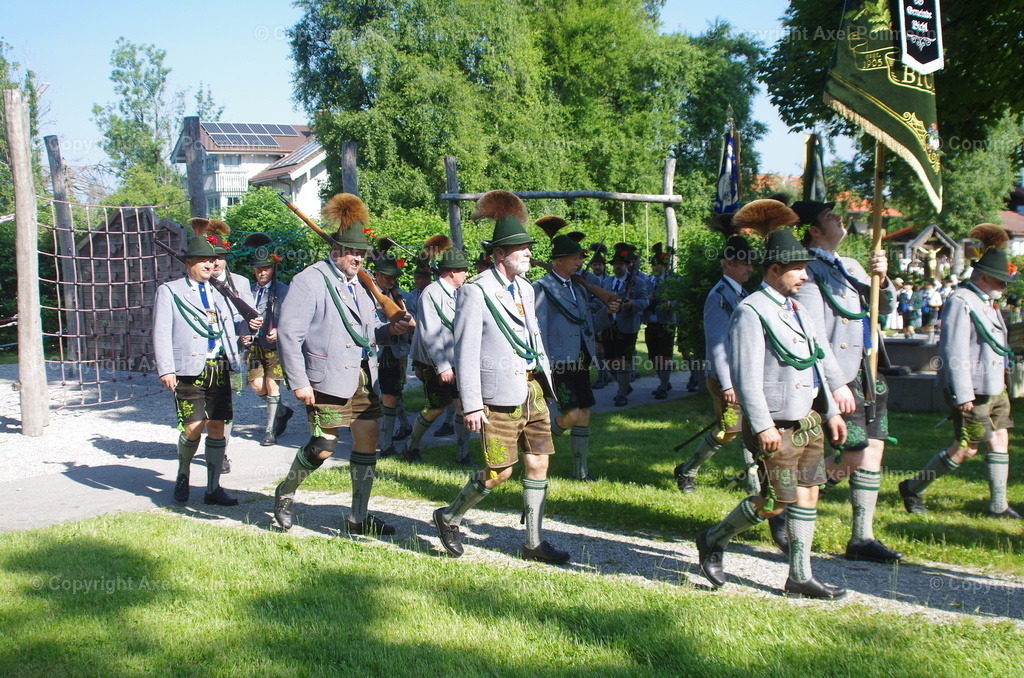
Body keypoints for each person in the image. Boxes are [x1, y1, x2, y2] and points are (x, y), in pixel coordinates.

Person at [695, 200, 847, 599]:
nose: (804, 274)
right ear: (775, 269)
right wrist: (760, 424)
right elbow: (745, 376)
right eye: (798, 268)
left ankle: (799, 576)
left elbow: (819, 357)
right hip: (775, 422)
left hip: (807, 418)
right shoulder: (750, 311)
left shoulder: (796, 307)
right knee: (775, 501)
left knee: (808, 491)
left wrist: (831, 406)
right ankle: (713, 538)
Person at [432, 190, 570, 564]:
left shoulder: (526, 288)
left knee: (539, 460)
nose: (528, 252)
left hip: (532, 389)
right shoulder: (476, 292)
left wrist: (548, 380)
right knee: (499, 472)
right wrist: (472, 403)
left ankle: (533, 543)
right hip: (497, 397)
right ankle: (449, 516)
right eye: (519, 248)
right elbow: (465, 350)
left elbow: (532, 338)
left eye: (527, 246)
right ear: (498, 255)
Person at [274, 193, 412, 535]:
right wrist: (299, 381)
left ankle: (358, 517)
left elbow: (366, 333)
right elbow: (289, 335)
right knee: (323, 448)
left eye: (362, 253)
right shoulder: (309, 280)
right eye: (352, 251)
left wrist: (389, 330)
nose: (358, 258)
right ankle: (285, 492)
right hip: (325, 378)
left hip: (363, 376)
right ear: (335, 249)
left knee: (369, 439)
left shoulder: (362, 286)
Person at [793, 199, 903, 564]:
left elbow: (884, 308)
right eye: (829, 216)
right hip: (838, 373)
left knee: (873, 447)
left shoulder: (853, 265)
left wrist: (882, 279)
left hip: (867, 370)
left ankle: (862, 536)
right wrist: (835, 382)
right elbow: (813, 333)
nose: (839, 217)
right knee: (853, 450)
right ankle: (787, 498)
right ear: (813, 229)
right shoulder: (807, 269)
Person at [900, 224, 1022, 520]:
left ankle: (998, 506)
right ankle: (913, 487)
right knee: (966, 448)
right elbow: (953, 350)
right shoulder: (961, 301)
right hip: (974, 389)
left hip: (994, 386)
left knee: (1000, 440)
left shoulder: (987, 302)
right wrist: (961, 392)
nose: (1004, 287)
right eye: (1000, 281)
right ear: (982, 277)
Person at [153, 233, 261, 507]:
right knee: (192, 427)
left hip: (221, 364)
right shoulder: (170, 291)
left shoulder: (221, 292)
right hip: (188, 368)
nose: (209, 264)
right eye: (202, 260)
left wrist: (250, 325)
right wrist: (166, 369)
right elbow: (161, 332)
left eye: (212, 260)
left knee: (217, 426)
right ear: (188, 262)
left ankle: (213, 487)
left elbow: (233, 325)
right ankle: (183, 475)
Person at [533, 225, 612, 481]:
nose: (580, 262)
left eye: (580, 258)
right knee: (573, 414)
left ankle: (581, 472)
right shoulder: (541, 288)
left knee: (584, 413)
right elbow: (539, 329)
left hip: (581, 360)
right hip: (559, 362)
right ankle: (538, 443)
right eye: (576, 257)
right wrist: (540, 365)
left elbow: (589, 326)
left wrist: (607, 314)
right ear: (559, 260)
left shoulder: (578, 288)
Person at [406, 245, 474, 464]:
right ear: (452, 272)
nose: (467, 273)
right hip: (433, 362)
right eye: (463, 270)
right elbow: (429, 333)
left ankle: (462, 455)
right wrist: (443, 365)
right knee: (435, 407)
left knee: (463, 406)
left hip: (457, 361)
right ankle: (410, 447)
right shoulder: (431, 293)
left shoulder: (460, 292)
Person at [246, 242, 293, 446]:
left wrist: (280, 330)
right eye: (258, 268)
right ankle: (282, 411)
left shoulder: (283, 290)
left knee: (272, 386)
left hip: (275, 346)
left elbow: (294, 318)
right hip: (255, 345)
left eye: (265, 268)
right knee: (257, 386)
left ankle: (270, 431)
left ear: (273, 268)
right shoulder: (248, 290)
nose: (261, 272)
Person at [373, 257, 415, 458]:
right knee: (378, 395)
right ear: (377, 276)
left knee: (390, 393)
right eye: (388, 278)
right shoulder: (368, 297)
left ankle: (386, 443)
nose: (392, 282)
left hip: (394, 351)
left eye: (394, 278)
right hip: (373, 351)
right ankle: (403, 427)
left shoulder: (403, 298)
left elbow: (414, 324)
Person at [599, 244, 650, 406]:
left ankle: (622, 393)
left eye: (620, 264)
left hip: (627, 327)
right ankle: (625, 385)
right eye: (615, 264)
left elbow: (644, 302)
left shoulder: (638, 282)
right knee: (609, 360)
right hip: (608, 326)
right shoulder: (607, 282)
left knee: (623, 361)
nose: (617, 267)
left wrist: (631, 304)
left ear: (627, 265)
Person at [645, 243, 677, 399]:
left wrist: (671, 304)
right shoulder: (647, 281)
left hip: (666, 323)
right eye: (654, 266)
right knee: (653, 357)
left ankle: (663, 386)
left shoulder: (673, 281)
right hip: (651, 322)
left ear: (665, 266)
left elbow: (681, 299)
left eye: (659, 266)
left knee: (664, 356)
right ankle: (664, 381)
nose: (656, 268)